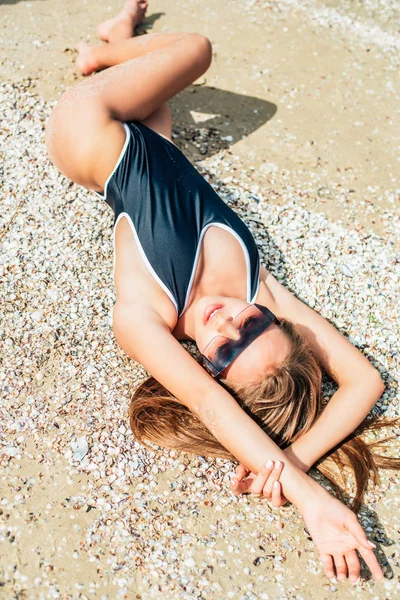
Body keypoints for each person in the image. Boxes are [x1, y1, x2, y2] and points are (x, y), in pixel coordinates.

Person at [44, 3, 400, 584]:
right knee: (175, 86)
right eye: (255, 326)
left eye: (226, 350)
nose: (229, 321)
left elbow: (212, 407)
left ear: (208, 368)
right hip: (149, 131)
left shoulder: (146, 315)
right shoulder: (258, 289)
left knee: (194, 50)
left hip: (90, 122)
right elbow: (367, 382)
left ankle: (101, 56)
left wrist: (307, 497)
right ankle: (116, 42)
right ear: (273, 321)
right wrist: (295, 459)